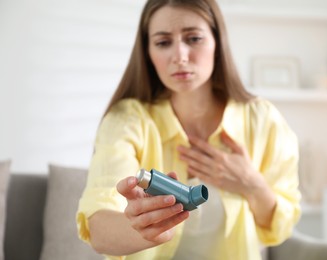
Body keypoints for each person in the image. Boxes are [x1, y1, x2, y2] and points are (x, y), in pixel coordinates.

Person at [76, 0, 301, 259]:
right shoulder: (127, 120)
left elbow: (281, 227)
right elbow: (98, 229)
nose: (180, 56)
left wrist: (252, 185)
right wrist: (143, 229)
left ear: (218, 42)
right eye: (163, 43)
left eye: (193, 38)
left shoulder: (263, 120)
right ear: (147, 52)